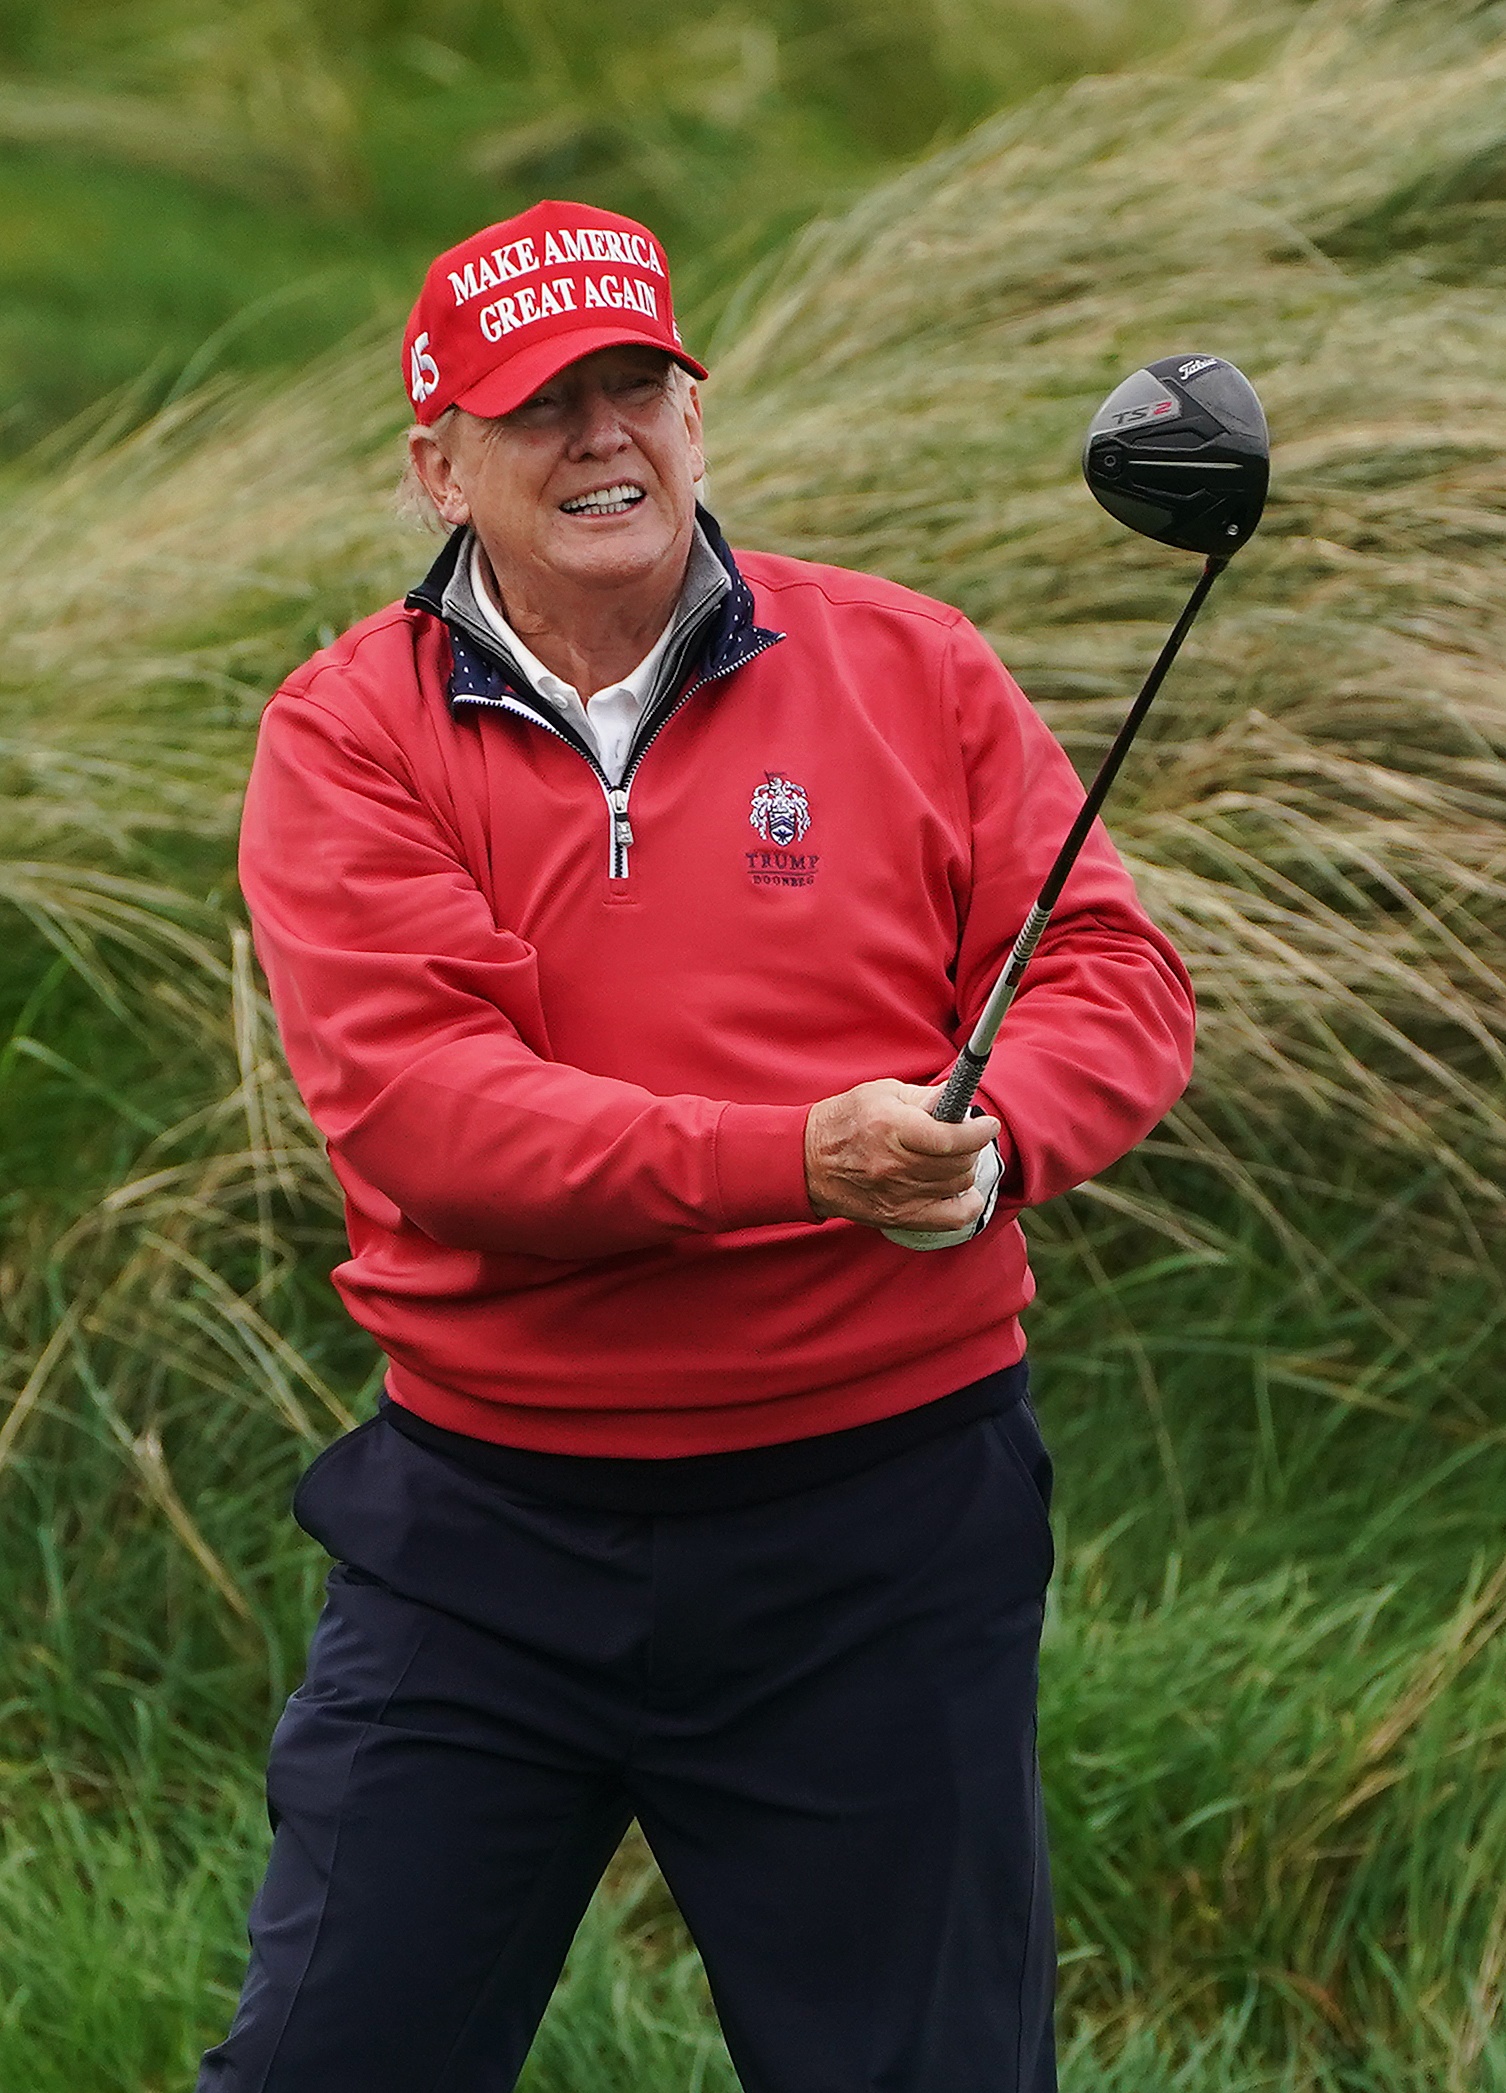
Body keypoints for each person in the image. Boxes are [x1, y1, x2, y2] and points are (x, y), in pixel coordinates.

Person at [198, 199, 1195, 2093]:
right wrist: (798, 1161)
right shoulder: (348, 733)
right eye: (540, 405)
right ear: (438, 463)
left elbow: (1107, 972)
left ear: (695, 417)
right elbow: (435, 1120)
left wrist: (994, 1144)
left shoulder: (913, 667)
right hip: (485, 1531)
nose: (602, 439)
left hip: (882, 1527)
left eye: (635, 387)